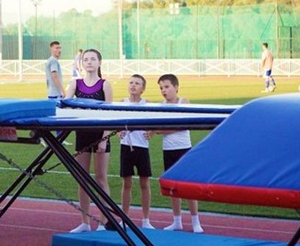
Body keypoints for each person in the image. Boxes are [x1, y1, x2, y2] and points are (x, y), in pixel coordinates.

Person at [64, 48, 114, 233]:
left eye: (93, 59)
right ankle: (84, 222)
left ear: (99, 62)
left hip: (100, 135)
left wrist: (104, 139)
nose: (89, 62)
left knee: (101, 179)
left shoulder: (105, 84)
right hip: (82, 134)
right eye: (86, 59)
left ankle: (103, 221)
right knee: (82, 179)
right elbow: (65, 105)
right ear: (82, 63)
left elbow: (110, 114)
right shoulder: (75, 83)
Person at [155, 74, 203, 232]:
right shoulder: (161, 106)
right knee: (172, 187)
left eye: (167, 87)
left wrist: (160, 130)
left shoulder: (184, 102)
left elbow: (184, 124)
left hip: (183, 148)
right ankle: (177, 221)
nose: (164, 90)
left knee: (188, 186)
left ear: (176, 87)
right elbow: (160, 126)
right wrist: (158, 130)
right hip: (168, 150)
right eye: (161, 88)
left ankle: (195, 221)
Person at [118, 74, 154, 229]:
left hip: (142, 147)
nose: (133, 85)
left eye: (137, 83)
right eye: (131, 82)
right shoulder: (122, 103)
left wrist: (152, 132)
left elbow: (157, 121)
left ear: (143, 89)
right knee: (126, 183)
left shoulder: (147, 104)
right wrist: (118, 131)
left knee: (144, 183)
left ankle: (146, 219)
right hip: (126, 146)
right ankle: (124, 218)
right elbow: (113, 121)